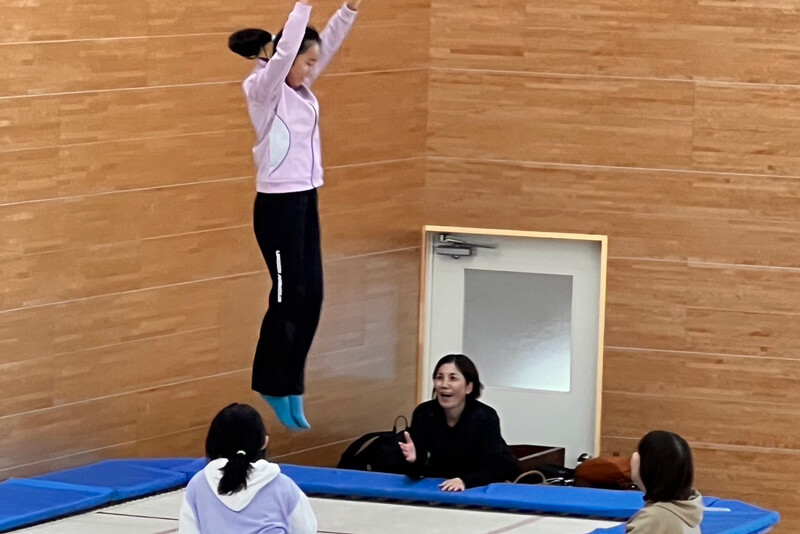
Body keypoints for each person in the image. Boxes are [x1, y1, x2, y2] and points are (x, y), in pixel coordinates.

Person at [227, 0, 361, 430]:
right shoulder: (263, 88)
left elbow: (329, 44)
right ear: (287, 58)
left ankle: (292, 384)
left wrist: (349, 8)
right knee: (287, 298)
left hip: (305, 199)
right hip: (277, 207)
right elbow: (286, 52)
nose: (311, 69)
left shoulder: (301, 90)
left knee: (312, 296)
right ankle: (270, 383)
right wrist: (304, 4)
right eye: (307, 62)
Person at [179, 403, 317, 534]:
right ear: (264, 442)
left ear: (213, 443)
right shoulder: (283, 485)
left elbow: (187, 530)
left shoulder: (198, 484)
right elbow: (306, 529)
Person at [398, 354, 521, 491]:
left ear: (468, 387)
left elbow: (496, 468)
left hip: (478, 483)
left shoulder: (485, 417)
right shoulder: (424, 413)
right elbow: (417, 472)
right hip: (442, 484)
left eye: (453, 378)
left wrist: (465, 481)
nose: (444, 385)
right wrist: (413, 460)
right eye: (439, 377)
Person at [627, 430, 703, 533]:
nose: (634, 455)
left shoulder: (653, 520)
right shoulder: (687, 510)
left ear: (649, 466)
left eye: (640, 453)